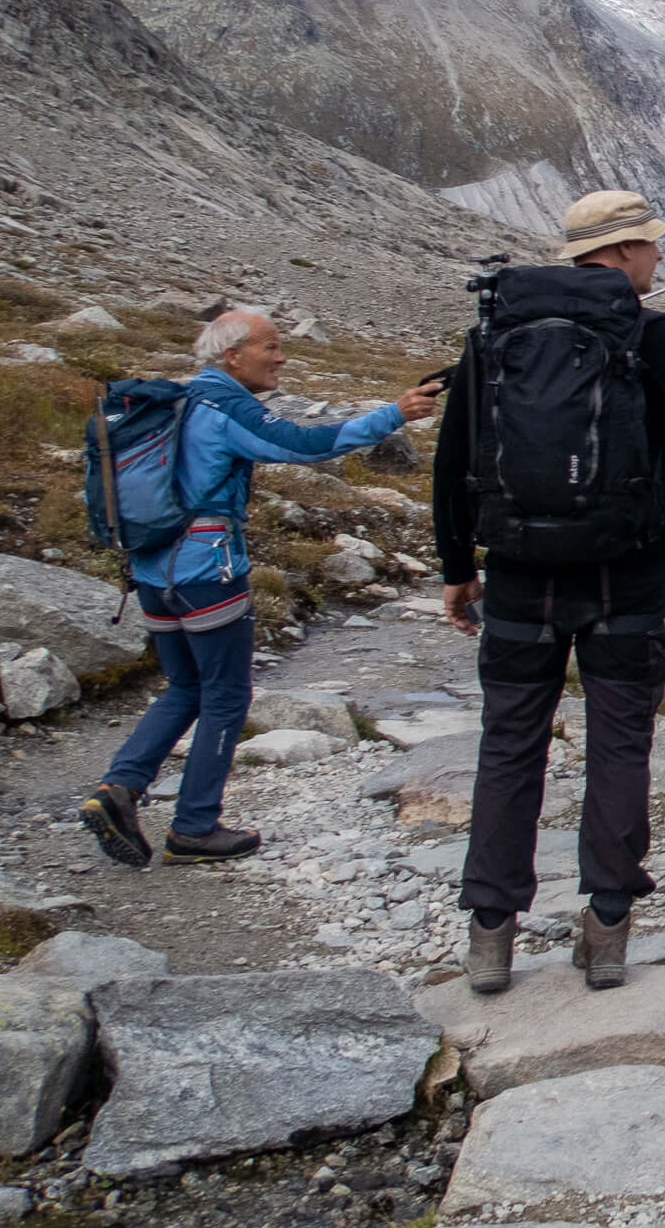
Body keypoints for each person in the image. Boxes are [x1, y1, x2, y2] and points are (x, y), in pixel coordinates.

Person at [434, 191, 665, 995]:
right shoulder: (652, 337)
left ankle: (491, 935)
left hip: (520, 573)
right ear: (624, 251)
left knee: (509, 744)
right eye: (652, 247)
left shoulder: (495, 330)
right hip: (626, 572)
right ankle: (606, 933)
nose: (659, 259)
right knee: (620, 745)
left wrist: (459, 567)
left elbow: (457, 455)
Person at [80, 311, 440, 868]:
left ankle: (119, 788)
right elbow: (305, 444)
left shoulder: (177, 400)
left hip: (152, 567)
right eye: (270, 347)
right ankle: (195, 828)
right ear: (232, 356)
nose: (281, 357)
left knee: (184, 686)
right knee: (225, 695)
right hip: (206, 567)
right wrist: (393, 414)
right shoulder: (225, 406)